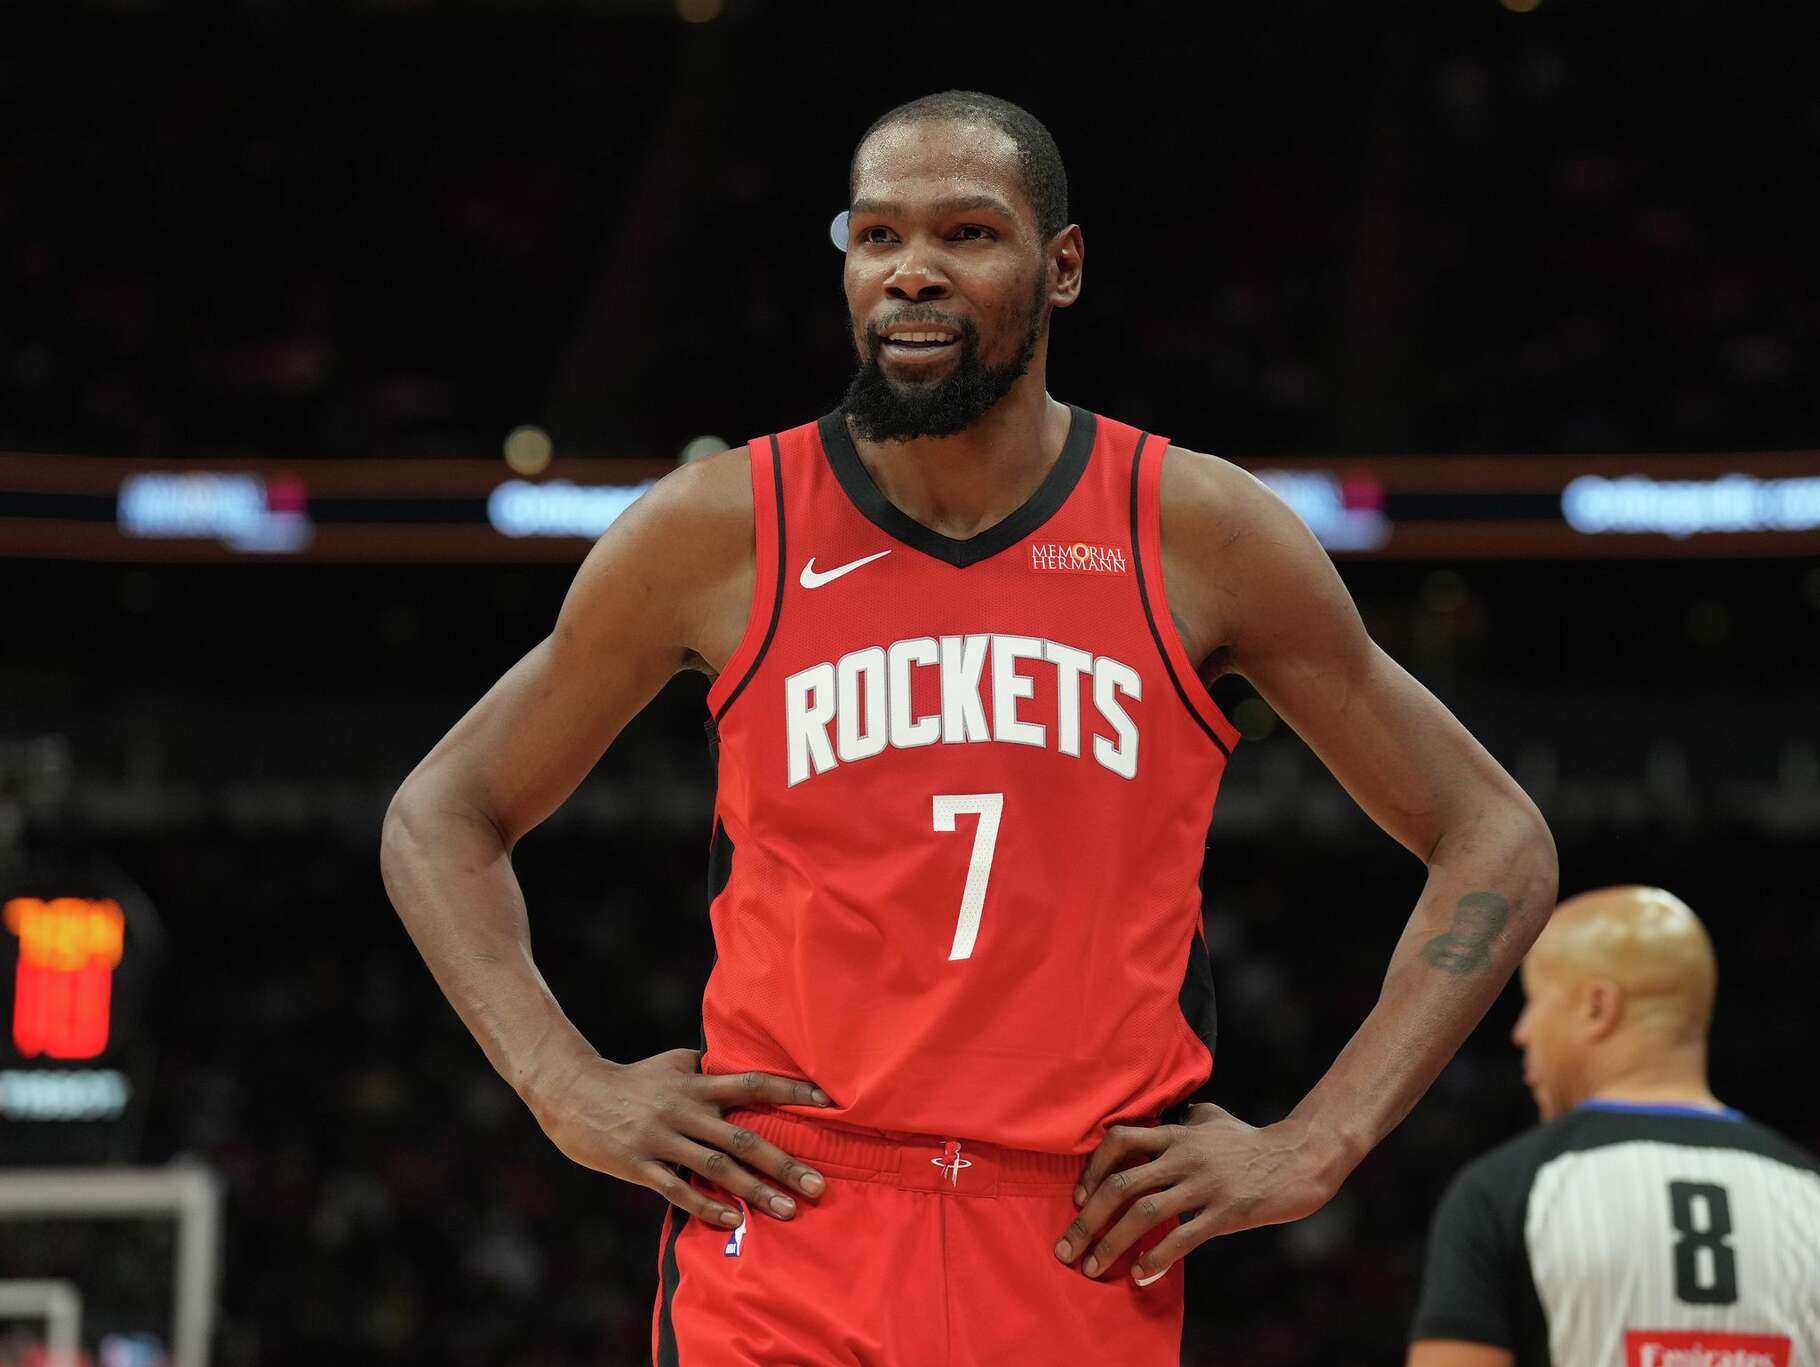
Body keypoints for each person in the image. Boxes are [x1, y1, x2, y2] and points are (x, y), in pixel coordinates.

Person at [381, 90, 1557, 1366]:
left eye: (966, 233)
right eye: (876, 235)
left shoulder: (1196, 530)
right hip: (786, 1224)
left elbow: (1493, 834)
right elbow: (441, 814)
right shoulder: (718, 527)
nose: (911, 271)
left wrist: (1317, 1141)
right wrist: (561, 1081)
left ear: (1062, 266)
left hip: (1077, 1233)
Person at [1408, 886, 1820, 1367]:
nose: (1522, 1032)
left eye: (1534, 1001)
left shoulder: (1505, 1191)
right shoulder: (1809, 1193)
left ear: (1597, 1007)